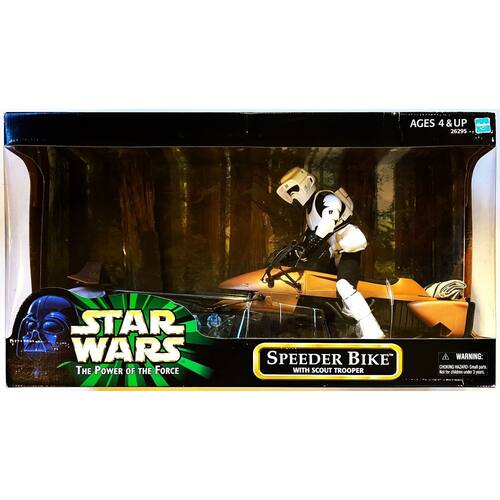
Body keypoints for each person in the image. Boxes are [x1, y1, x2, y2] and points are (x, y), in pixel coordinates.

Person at [276, 167, 384, 339]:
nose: (293, 195)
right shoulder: (309, 213)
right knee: (318, 286)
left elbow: (329, 219)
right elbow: (308, 240)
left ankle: (372, 329)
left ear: (307, 182)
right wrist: (294, 253)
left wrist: (313, 241)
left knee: (344, 285)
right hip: (334, 252)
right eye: (289, 193)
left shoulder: (323, 197)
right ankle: (326, 330)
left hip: (348, 245)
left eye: (294, 189)